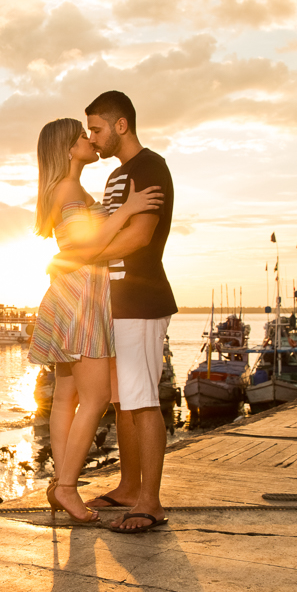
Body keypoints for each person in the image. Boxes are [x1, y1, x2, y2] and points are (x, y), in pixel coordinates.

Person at [28, 118, 162, 524]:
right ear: (69, 149)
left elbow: (76, 245)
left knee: (65, 397)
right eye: (82, 136)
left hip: (72, 289)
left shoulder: (66, 188)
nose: (90, 140)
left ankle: (59, 483)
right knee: (97, 397)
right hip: (83, 294)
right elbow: (87, 246)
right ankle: (67, 487)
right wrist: (129, 211)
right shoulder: (68, 189)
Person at [83, 90, 178, 533]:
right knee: (123, 400)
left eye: (96, 129)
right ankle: (127, 487)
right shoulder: (117, 176)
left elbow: (139, 236)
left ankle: (150, 502)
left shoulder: (150, 167)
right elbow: (109, 228)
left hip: (141, 299)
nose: (92, 138)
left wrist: (86, 255)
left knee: (143, 400)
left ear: (121, 125)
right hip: (114, 300)